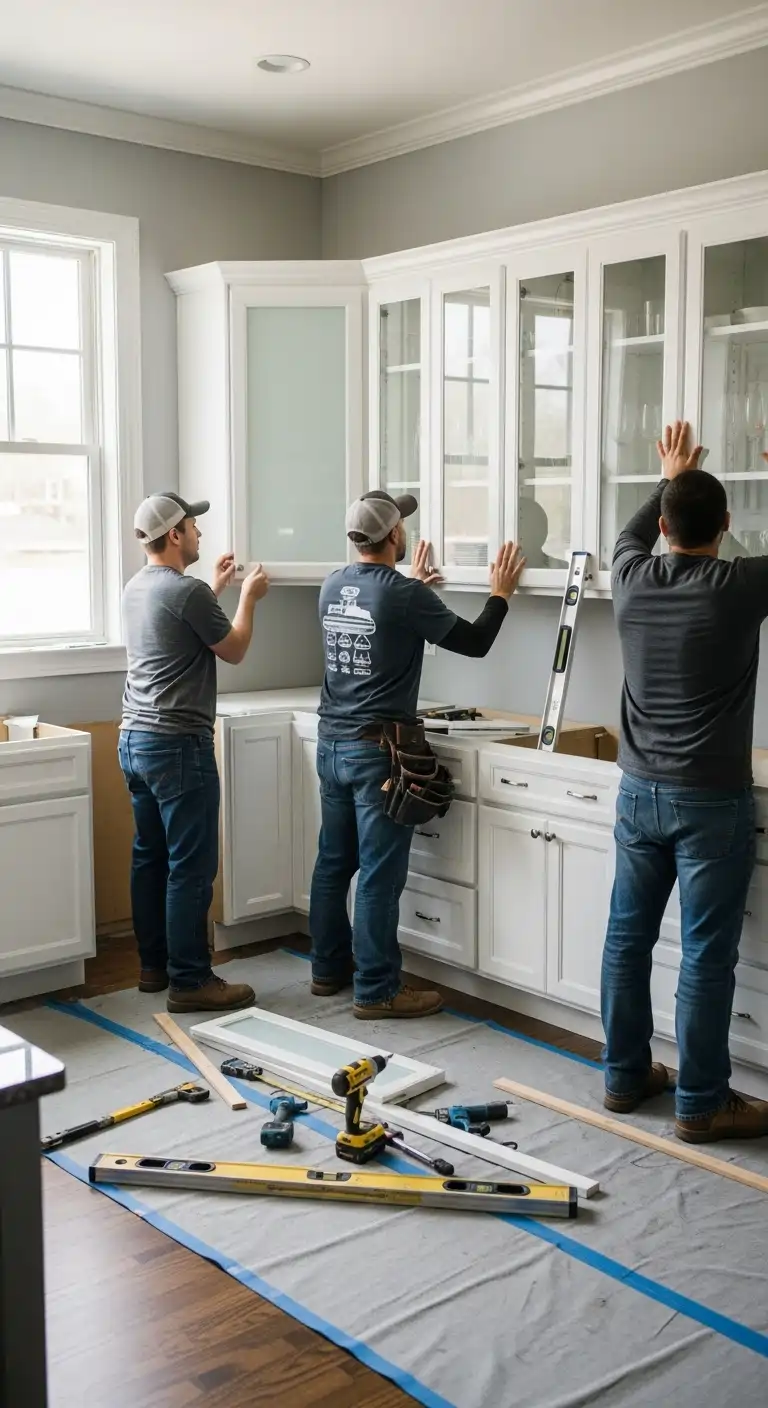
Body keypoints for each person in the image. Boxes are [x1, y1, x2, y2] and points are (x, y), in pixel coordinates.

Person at [601, 421, 768, 1143]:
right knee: (704, 953)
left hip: (638, 793)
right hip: (710, 803)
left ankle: (624, 1075)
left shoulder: (630, 577)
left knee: (626, 940)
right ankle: (701, 1102)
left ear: (664, 524)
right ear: (727, 528)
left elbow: (632, 532)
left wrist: (666, 474)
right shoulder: (737, 585)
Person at [309, 488, 525, 1020]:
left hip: (332, 744)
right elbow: (475, 643)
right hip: (378, 754)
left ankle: (327, 969)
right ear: (395, 536)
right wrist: (501, 593)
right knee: (380, 875)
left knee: (334, 864)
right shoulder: (403, 595)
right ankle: (378, 990)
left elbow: (380, 628)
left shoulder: (334, 585)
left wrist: (416, 591)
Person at [119, 492, 269, 1012]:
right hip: (179, 745)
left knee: (151, 858)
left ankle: (154, 967)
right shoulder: (186, 593)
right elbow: (235, 648)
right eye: (193, 525)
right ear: (176, 535)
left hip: (134, 740)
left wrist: (218, 588)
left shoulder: (136, 587)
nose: (201, 533)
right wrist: (247, 597)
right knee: (190, 866)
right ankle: (191, 982)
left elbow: (180, 622)